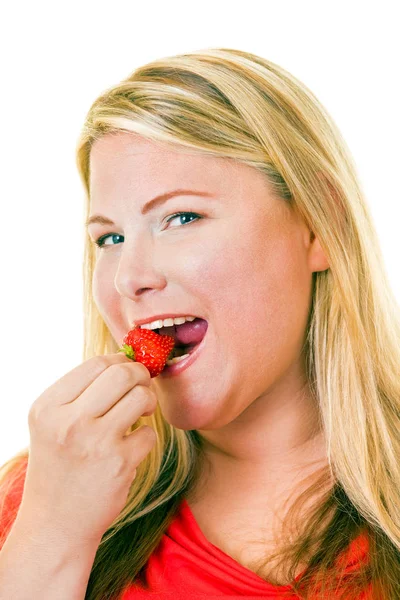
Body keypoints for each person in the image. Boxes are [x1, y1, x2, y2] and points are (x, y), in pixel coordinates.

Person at [0, 47, 399, 600]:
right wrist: (52, 537)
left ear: (317, 227)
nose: (127, 278)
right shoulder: (41, 498)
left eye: (181, 218)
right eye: (109, 238)